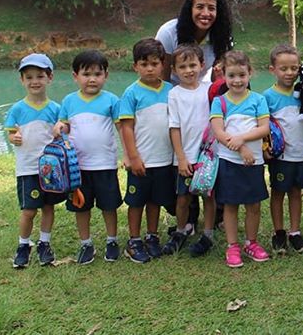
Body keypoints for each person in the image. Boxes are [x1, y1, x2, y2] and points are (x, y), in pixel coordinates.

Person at [54, 50, 122, 265]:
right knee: (81, 207)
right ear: (75, 76)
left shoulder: (111, 100)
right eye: (86, 74)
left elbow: (122, 128)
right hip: (77, 166)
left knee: (108, 205)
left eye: (97, 74)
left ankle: (112, 240)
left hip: (105, 164)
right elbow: (64, 124)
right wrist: (59, 127)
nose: (92, 79)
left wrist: (129, 154)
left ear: (106, 75)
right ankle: (86, 243)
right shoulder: (69, 101)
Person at [210, 50, 272, 267]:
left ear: (250, 74)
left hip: (253, 162)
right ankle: (233, 245)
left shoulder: (258, 100)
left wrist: (243, 141)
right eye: (232, 75)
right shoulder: (219, 102)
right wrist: (240, 149)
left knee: (253, 204)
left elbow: (264, 128)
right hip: (229, 162)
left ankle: (251, 242)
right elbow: (218, 132)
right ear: (224, 76)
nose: (237, 81)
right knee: (230, 205)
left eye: (242, 75)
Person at [116, 38, 175, 264]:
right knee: (136, 201)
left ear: (163, 64)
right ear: (135, 67)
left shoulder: (170, 90)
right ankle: (134, 240)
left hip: (164, 159)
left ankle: (152, 236)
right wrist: (133, 157)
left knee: (155, 201)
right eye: (144, 64)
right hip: (141, 160)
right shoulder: (131, 93)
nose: (149, 68)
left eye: (154, 63)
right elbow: (126, 127)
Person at [5, 53, 63, 268]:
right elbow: (11, 133)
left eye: (40, 76)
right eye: (29, 77)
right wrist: (15, 138)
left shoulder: (56, 108)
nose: (34, 81)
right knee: (29, 210)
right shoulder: (18, 108)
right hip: (27, 168)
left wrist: (60, 129)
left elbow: (61, 131)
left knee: (49, 207)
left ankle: (44, 243)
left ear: (50, 78)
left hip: (50, 169)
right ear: (22, 80)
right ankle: (23, 244)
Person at [163, 43, 217, 257]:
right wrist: (181, 157)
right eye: (182, 67)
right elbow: (174, 128)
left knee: (209, 196)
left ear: (202, 66)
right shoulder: (174, 94)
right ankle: (180, 230)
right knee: (183, 198)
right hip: (185, 156)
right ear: (174, 70)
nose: (188, 70)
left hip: (209, 156)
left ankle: (209, 233)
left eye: (193, 65)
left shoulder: (209, 90)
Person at [263, 43, 303, 255]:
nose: (289, 73)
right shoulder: (267, 96)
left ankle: (295, 232)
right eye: (283, 68)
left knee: (296, 192)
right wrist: (265, 149)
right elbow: (262, 125)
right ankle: (278, 232)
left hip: (302, 153)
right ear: (272, 69)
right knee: (278, 192)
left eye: (294, 68)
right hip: (280, 155)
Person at [156, 0, 233, 83]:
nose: (205, 13)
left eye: (211, 8)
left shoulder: (222, 36)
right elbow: (162, 78)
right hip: (170, 90)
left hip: (198, 89)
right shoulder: (168, 33)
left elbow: (217, 80)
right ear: (190, 9)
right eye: (200, 7)